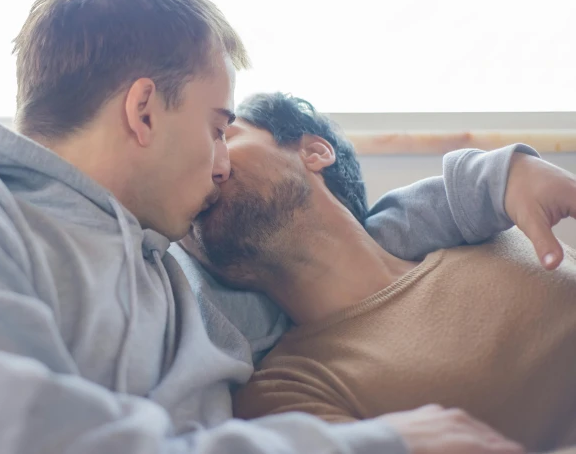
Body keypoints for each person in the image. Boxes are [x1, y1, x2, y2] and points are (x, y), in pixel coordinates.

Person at [0, 0, 575, 454]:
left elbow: (336, 251)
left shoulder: (190, 280)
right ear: (145, 110)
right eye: (217, 126)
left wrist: (491, 175)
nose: (218, 165)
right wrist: (376, 444)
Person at [182, 92, 576, 452]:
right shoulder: (283, 394)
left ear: (314, 152)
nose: (207, 167)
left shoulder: (489, 228)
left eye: (224, 136)